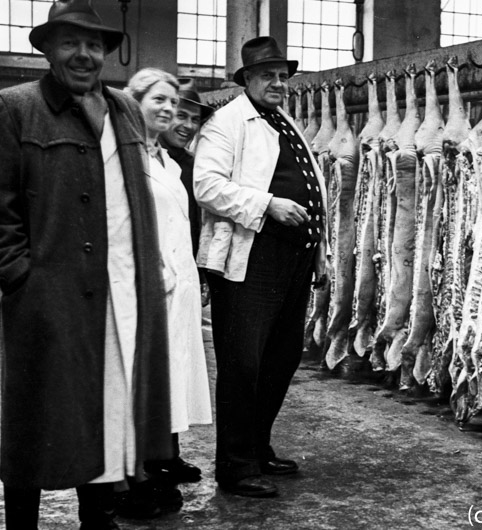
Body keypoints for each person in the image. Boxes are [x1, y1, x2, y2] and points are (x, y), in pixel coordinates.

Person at [0, 1, 172, 528]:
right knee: (35, 420)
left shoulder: (122, 107)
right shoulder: (15, 107)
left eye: (94, 44)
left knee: (109, 414)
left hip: (119, 289)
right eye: (70, 42)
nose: (84, 54)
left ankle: (98, 520)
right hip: (46, 294)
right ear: (47, 49)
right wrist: (19, 276)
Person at [194, 36, 328, 498]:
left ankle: (257, 445)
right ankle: (235, 464)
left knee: (281, 357)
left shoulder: (281, 119)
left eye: (283, 76)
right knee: (242, 362)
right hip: (250, 259)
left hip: (293, 258)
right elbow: (206, 186)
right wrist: (267, 204)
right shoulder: (227, 123)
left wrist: (319, 254)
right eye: (268, 75)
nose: (278, 83)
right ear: (246, 79)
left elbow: (313, 190)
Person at [122, 68, 213, 513]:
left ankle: (154, 463)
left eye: (172, 103)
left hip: (178, 283)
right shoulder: (124, 156)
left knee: (166, 378)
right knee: (139, 380)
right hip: (143, 286)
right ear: (132, 102)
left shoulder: (167, 160)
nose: (168, 109)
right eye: (157, 100)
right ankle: (130, 481)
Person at [159, 78, 214, 308]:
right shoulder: (144, 159)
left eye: (195, 120)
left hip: (184, 268)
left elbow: (197, 226)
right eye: (181, 116)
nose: (189, 126)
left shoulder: (196, 167)